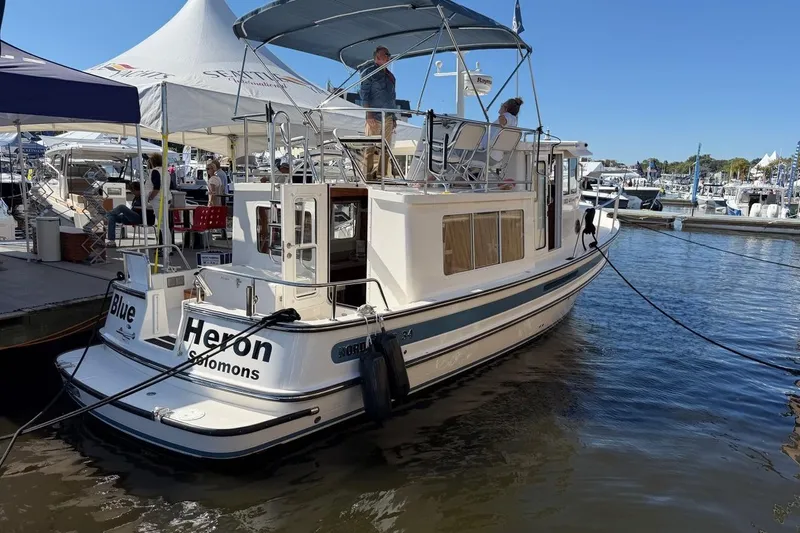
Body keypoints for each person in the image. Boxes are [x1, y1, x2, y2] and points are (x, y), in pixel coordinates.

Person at [359, 45, 397, 178]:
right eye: (387, 54)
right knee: (370, 147)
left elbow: (392, 98)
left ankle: (381, 176)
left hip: (387, 116)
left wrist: (394, 118)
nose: (389, 56)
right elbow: (364, 93)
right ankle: (367, 175)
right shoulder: (369, 72)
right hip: (374, 115)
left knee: (386, 148)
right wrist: (369, 113)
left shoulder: (391, 77)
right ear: (378, 57)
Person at [105, 182, 143, 246]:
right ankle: (112, 241)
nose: (133, 193)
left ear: (138, 190)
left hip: (139, 217)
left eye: (134, 191)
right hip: (131, 216)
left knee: (122, 207)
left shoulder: (143, 197)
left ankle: (106, 214)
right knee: (112, 217)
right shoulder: (135, 198)